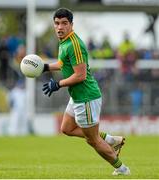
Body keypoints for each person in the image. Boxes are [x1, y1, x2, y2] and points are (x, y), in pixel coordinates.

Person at [42, 8, 130, 175]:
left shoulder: (74, 44)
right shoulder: (64, 42)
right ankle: (111, 139)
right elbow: (62, 64)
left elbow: (80, 75)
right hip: (77, 96)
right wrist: (44, 67)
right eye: (57, 23)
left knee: (93, 140)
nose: (60, 27)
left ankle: (122, 169)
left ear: (71, 25)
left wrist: (58, 84)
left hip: (86, 97)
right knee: (66, 128)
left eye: (64, 23)